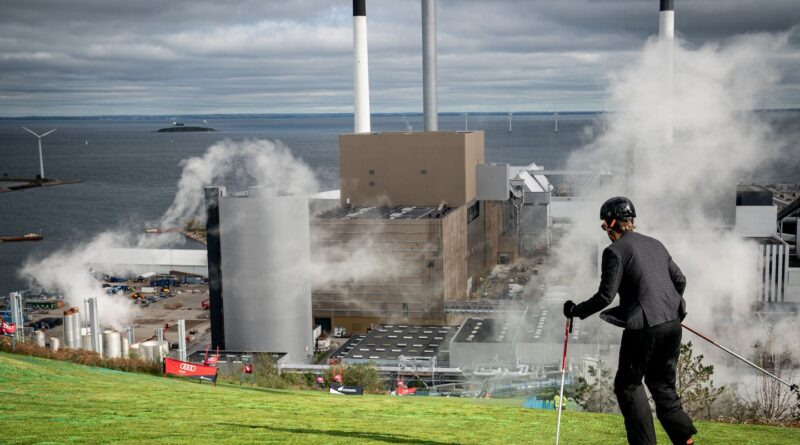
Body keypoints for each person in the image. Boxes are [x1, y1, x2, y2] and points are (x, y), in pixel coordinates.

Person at [563, 196, 696, 445]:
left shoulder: (614, 252)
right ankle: (685, 441)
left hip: (645, 327)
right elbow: (680, 280)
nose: (605, 230)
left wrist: (575, 311)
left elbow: (605, 296)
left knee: (628, 385)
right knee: (663, 386)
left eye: (604, 224)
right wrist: (668, 308)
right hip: (672, 324)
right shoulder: (655, 244)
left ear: (613, 222)